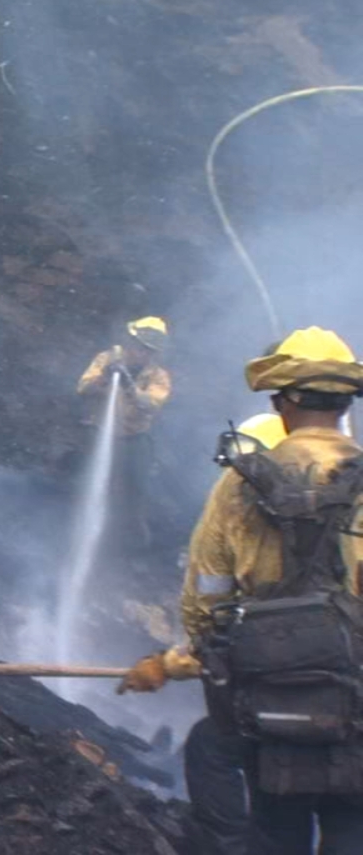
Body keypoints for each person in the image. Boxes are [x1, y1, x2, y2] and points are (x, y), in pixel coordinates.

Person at [120, 327, 363, 853]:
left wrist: (194, 662)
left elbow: (206, 596)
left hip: (272, 699)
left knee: (278, 824)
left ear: (281, 401)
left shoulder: (243, 483)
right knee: (351, 825)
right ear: (346, 401)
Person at [125, 414, 286, 855]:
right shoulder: (342, 512)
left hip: (286, 694)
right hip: (339, 695)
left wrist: (168, 664)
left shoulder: (252, 536)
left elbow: (216, 621)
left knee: (217, 749)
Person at [76, 317, 172, 543]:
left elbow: (150, 405)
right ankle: (81, 531)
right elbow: (83, 388)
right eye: (141, 348)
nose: (144, 354)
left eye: (150, 351)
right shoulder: (106, 359)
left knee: (134, 491)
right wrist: (104, 377)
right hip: (98, 433)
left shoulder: (158, 376)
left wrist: (129, 385)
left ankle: (133, 542)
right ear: (130, 342)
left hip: (133, 440)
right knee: (89, 483)